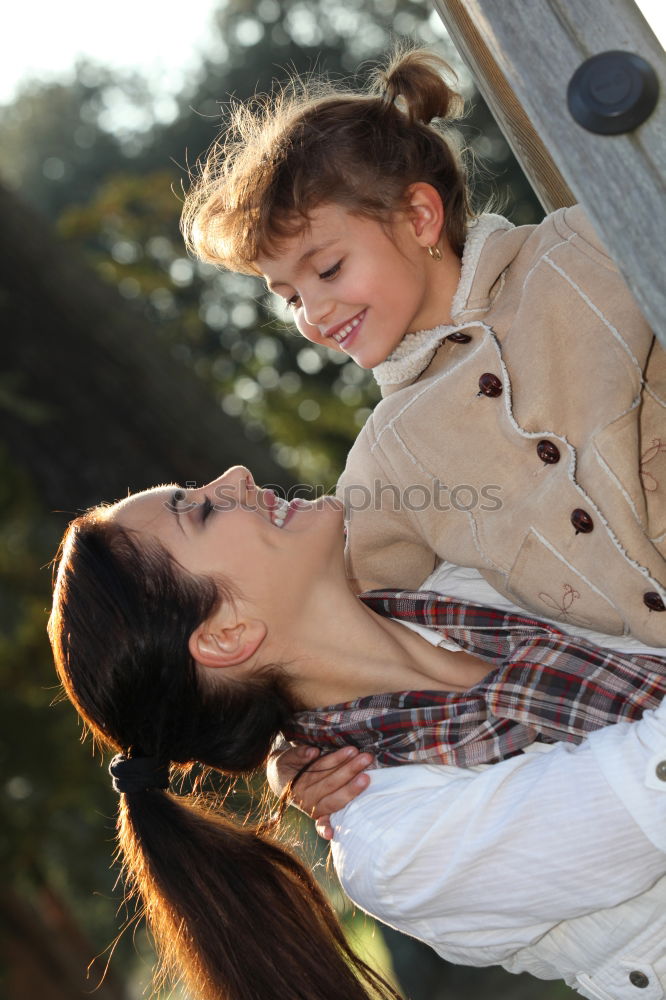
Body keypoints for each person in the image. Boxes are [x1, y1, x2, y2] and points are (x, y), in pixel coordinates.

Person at [50, 466, 666, 1000]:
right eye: (204, 511)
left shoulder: (454, 580)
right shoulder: (394, 840)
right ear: (225, 635)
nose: (235, 475)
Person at [181, 46, 666, 647]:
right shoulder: (391, 451)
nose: (314, 313)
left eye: (328, 269)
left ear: (418, 217)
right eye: (289, 297)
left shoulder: (577, 252)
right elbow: (349, 611)